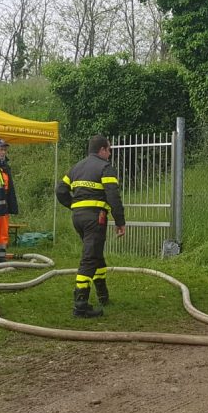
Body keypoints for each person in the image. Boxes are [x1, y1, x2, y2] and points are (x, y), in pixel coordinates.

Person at [56, 135, 125, 318]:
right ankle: (80, 305)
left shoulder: (76, 167)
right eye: (109, 150)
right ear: (102, 150)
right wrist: (120, 222)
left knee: (95, 255)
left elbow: (60, 190)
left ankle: (103, 295)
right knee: (89, 259)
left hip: (78, 218)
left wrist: (74, 205)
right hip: (95, 218)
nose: (110, 153)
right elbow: (113, 196)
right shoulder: (105, 168)